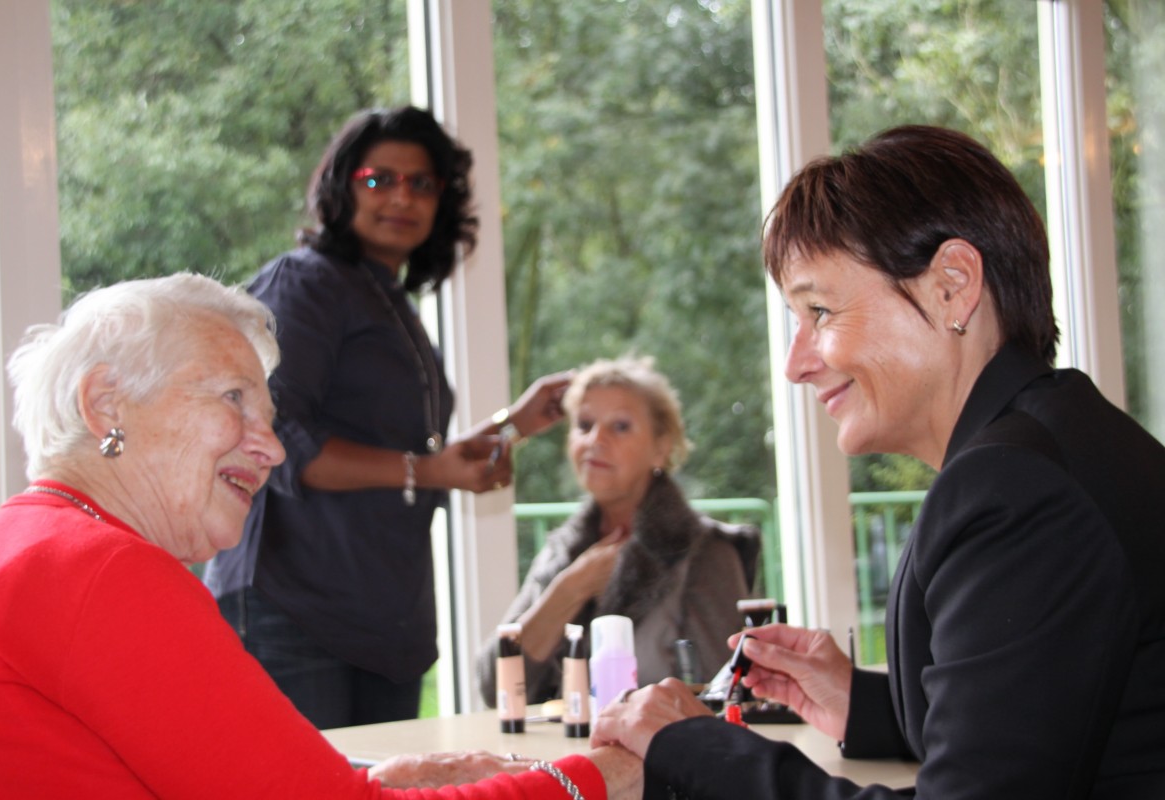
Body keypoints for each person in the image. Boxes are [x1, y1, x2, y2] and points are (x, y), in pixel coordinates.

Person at [591, 125, 1165, 798]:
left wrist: (689, 748)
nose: (796, 364)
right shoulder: (1067, 438)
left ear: (953, 286)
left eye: (820, 311)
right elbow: (1050, 711)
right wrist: (860, 705)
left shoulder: (1015, 489)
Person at [0, 273, 642, 798]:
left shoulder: (32, 541)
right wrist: (607, 772)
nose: (273, 451)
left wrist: (375, 783)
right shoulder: (103, 570)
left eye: (269, 416)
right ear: (106, 403)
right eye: (233, 399)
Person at [203, 106, 571, 729]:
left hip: (383, 618)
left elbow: (413, 457)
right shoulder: (305, 284)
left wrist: (515, 425)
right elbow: (278, 438)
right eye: (379, 179)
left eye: (420, 183)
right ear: (341, 189)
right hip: (292, 608)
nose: (401, 197)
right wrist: (427, 471)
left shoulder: (387, 297)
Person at [476, 355, 760, 707]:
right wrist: (569, 589)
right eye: (584, 424)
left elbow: (726, 695)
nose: (596, 439)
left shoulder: (706, 553)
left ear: (661, 447)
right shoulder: (563, 552)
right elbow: (494, 687)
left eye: (620, 426)